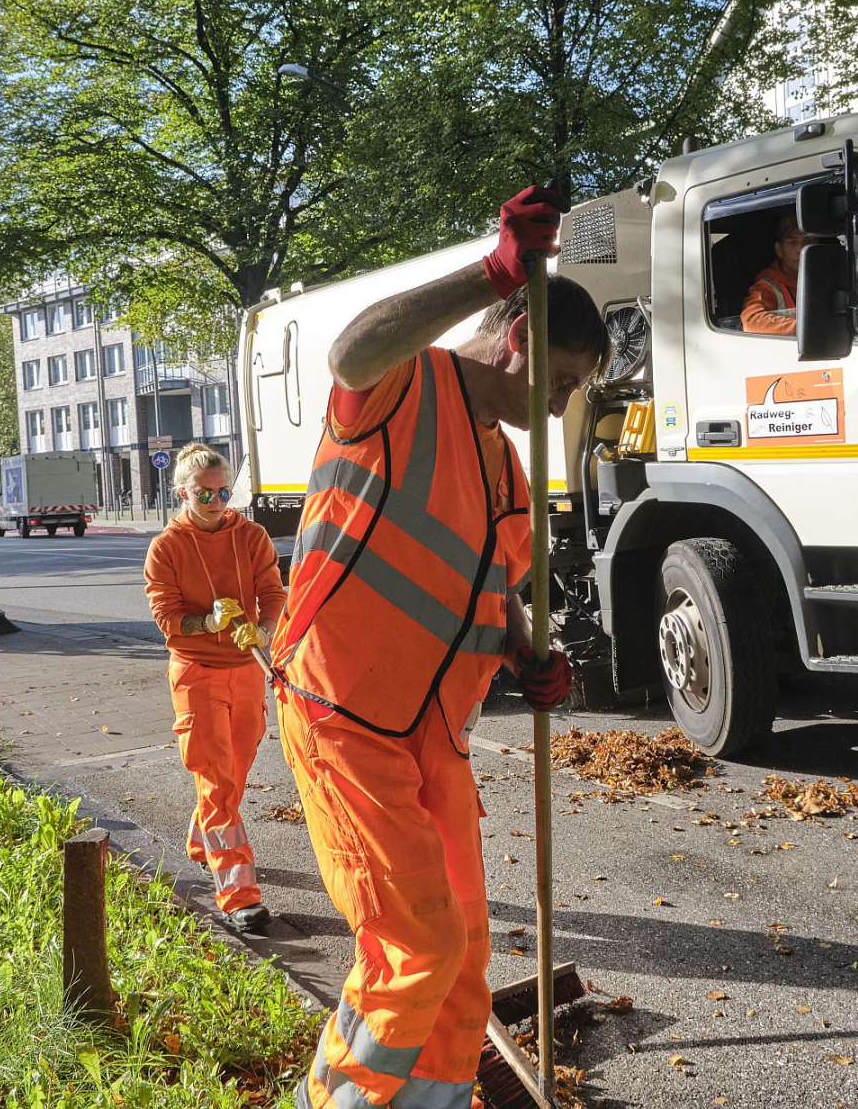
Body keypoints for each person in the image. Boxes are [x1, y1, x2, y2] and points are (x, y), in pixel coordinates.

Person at [271, 186, 606, 1109]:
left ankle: (436, 1098)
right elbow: (349, 349)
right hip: (345, 715)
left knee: (461, 960)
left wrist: (531, 655)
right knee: (414, 946)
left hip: (432, 738)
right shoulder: (400, 387)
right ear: (519, 338)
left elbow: (494, 605)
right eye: (566, 381)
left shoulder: (509, 472)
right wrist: (493, 269)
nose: (564, 406)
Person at [143, 442, 286, 931]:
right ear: (183, 492)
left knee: (236, 768)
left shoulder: (252, 535)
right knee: (218, 779)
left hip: (246, 667)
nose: (218, 501)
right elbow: (166, 617)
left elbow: (272, 591)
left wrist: (264, 629)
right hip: (196, 671)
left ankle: (203, 839)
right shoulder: (166, 546)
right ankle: (239, 893)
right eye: (206, 494)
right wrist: (206, 623)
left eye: (226, 491)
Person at [739, 212, 823, 336]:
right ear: (779, 250)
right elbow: (752, 321)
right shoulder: (767, 287)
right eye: (792, 242)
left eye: (808, 240)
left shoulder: (827, 279)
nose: (801, 248)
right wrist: (807, 328)